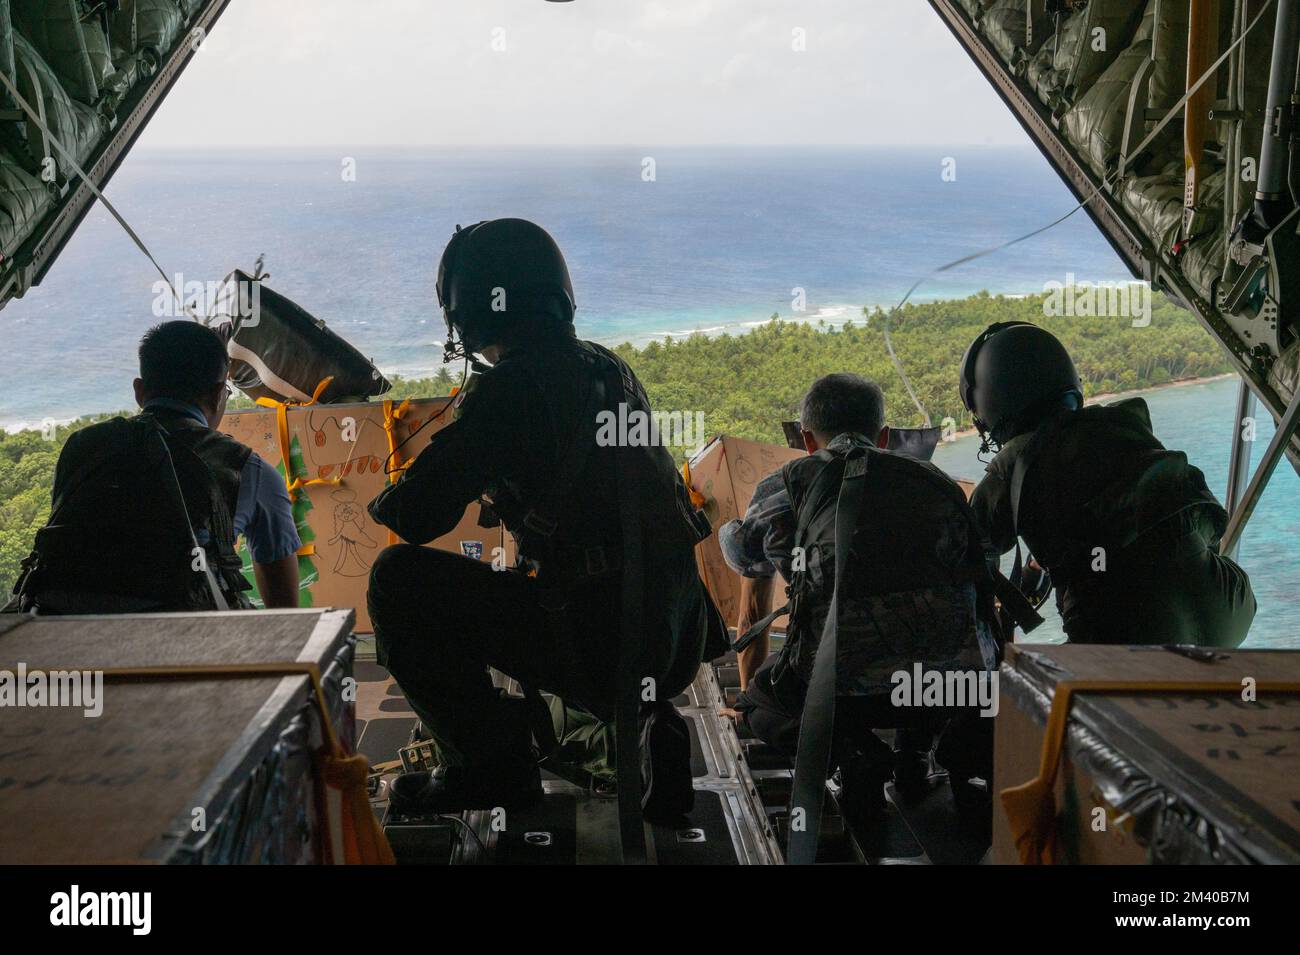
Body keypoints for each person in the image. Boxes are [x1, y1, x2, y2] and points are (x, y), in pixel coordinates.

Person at [367, 218, 722, 815]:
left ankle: (488, 767)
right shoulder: (608, 369)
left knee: (397, 579)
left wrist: (391, 494)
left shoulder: (511, 389)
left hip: (601, 645)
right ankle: (619, 723)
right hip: (676, 633)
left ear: (470, 315)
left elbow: (416, 517)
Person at [719, 373, 998, 825]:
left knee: (758, 707)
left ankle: (856, 754)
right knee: (919, 630)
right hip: (947, 693)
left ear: (807, 439)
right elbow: (983, 569)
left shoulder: (789, 484)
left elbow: (744, 560)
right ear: (884, 437)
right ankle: (915, 753)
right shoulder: (936, 481)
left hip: (839, 694)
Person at [960, 321, 1256, 647]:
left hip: (1131, 636)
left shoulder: (1013, 462)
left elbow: (964, 552)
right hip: (1229, 606)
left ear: (993, 403)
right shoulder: (1125, 426)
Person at [9, 320, 301, 614]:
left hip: (58, 632)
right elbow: (284, 610)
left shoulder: (81, 446)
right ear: (217, 395)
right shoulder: (247, 470)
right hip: (184, 642)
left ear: (139, 391)